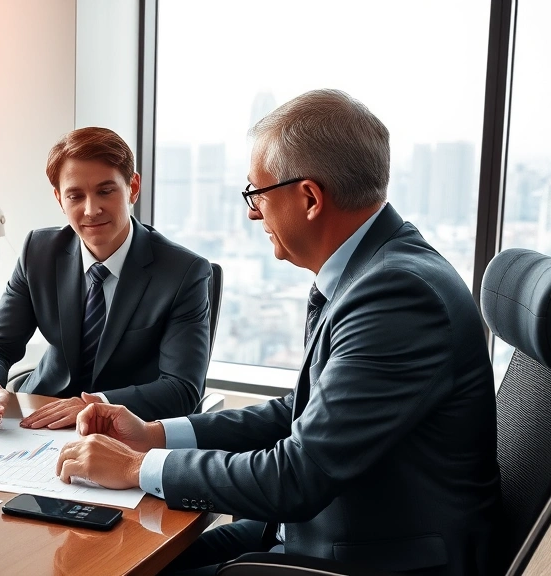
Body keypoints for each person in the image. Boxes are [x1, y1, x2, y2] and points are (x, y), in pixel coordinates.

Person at [55, 90, 499, 576]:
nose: (252, 213)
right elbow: (299, 413)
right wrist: (153, 435)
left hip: (372, 558)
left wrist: (135, 468)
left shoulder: (396, 297)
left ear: (309, 197)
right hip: (322, 531)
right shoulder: (373, 271)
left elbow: (296, 474)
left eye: (257, 193)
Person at [0, 127, 212, 432]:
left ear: (133, 187)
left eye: (106, 191)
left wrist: (94, 404)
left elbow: (181, 389)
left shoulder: (183, 273)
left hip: (125, 432)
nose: (91, 210)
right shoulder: (38, 253)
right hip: (40, 417)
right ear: (59, 199)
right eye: (75, 196)